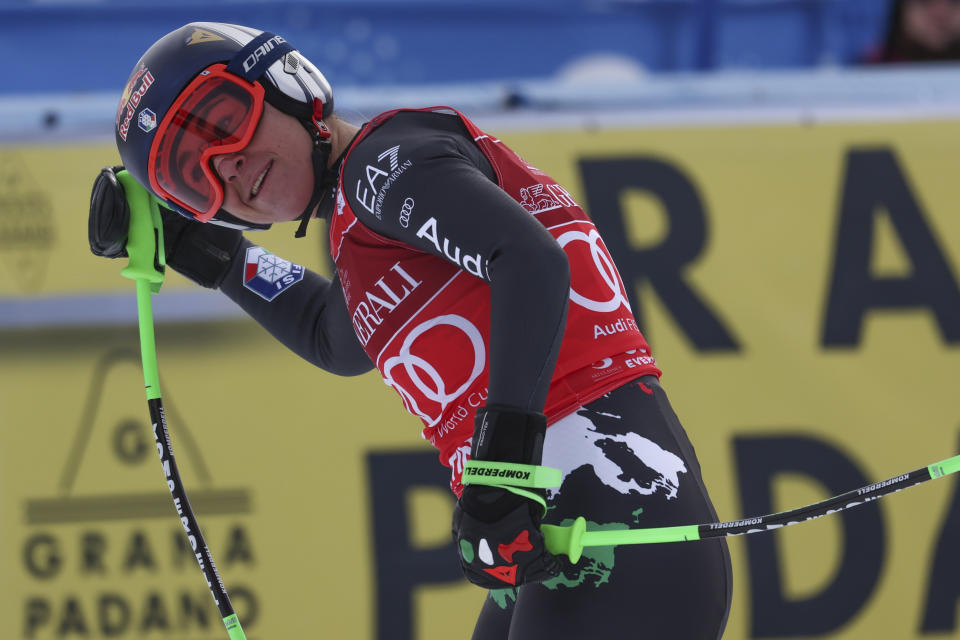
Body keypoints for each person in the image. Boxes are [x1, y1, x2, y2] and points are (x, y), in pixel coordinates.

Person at [89, 22, 732, 639]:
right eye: (188, 174)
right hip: (572, 539)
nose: (223, 166)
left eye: (224, 123)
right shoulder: (361, 226)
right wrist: (205, 250)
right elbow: (331, 335)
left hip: (619, 528)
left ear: (290, 83)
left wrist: (501, 470)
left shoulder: (383, 164)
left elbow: (530, 261)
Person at [865, 0, 960, 63]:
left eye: (953, 2)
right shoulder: (873, 67)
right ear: (901, 11)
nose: (940, 15)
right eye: (925, 2)